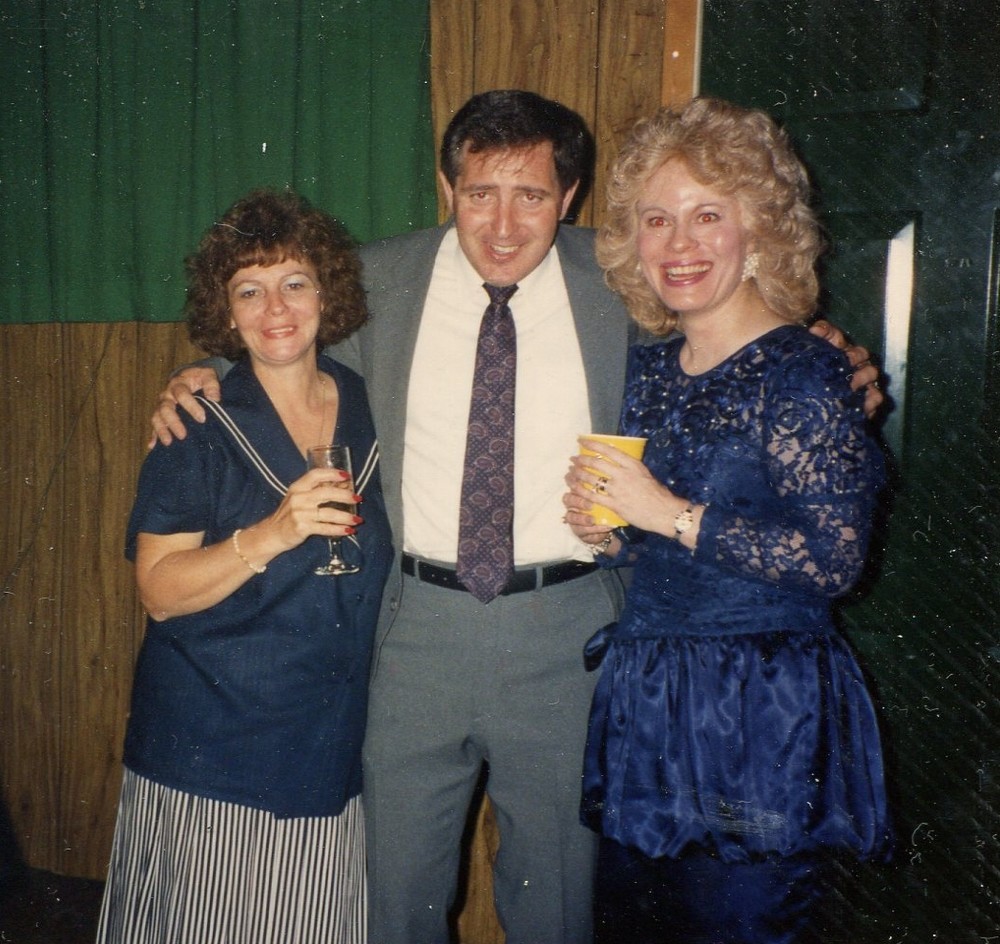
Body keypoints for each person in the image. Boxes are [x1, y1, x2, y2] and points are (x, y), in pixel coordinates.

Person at [149, 91, 883, 944]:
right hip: (415, 633)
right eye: (479, 194)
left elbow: (732, 329)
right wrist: (204, 372)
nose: (502, 226)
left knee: (558, 906)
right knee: (396, 900)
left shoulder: (621, 278)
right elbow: (284, 334)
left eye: (530, 195)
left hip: (567, 632)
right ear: (447, 187)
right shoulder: (379, 280)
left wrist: (829, 347)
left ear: (568, 195)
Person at [563, 97, 891, 944]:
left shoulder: (804, 371)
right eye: (657, 219)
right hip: (650, 701)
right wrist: (612, 533)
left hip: (759, 710)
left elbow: (834, 562)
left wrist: (667, 512)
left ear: (759, 233)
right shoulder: (646, 372)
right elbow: (659, 545)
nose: (679, 243)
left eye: (708, 215)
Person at [97, 189, 392, 943]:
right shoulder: (198, 422)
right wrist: (270, 534)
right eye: (249, 291)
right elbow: (158, 591)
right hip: (218, 749)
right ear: (226, 314)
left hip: (332, 745)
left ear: (326, 293)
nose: (276, 308)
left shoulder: (371, 404)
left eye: (294, 282)